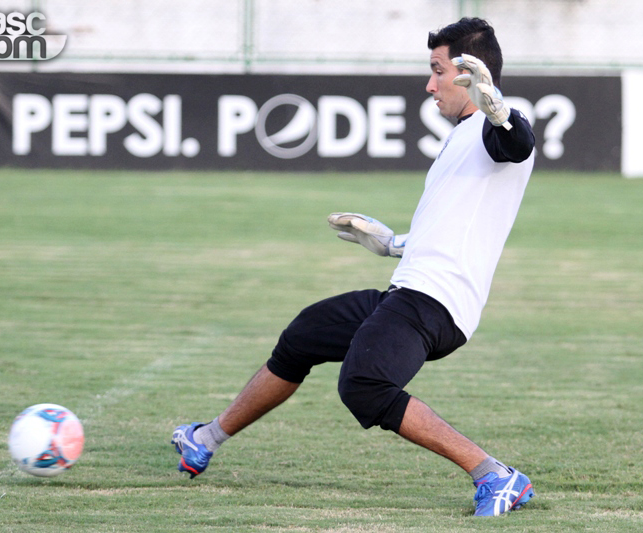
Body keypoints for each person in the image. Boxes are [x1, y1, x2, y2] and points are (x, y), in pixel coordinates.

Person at [172, 17, 536, 517]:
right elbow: (458, 226)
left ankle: (494, 474)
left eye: (436, 70)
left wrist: (500, 110)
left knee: (363, 384)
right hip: (410, 290)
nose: (428, 84)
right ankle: (205, 438)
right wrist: (391, 244)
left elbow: (517, 144)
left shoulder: (498, 128)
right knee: (305, 335)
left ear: (470, 75)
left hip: (436, 303)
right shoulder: (464, 136)